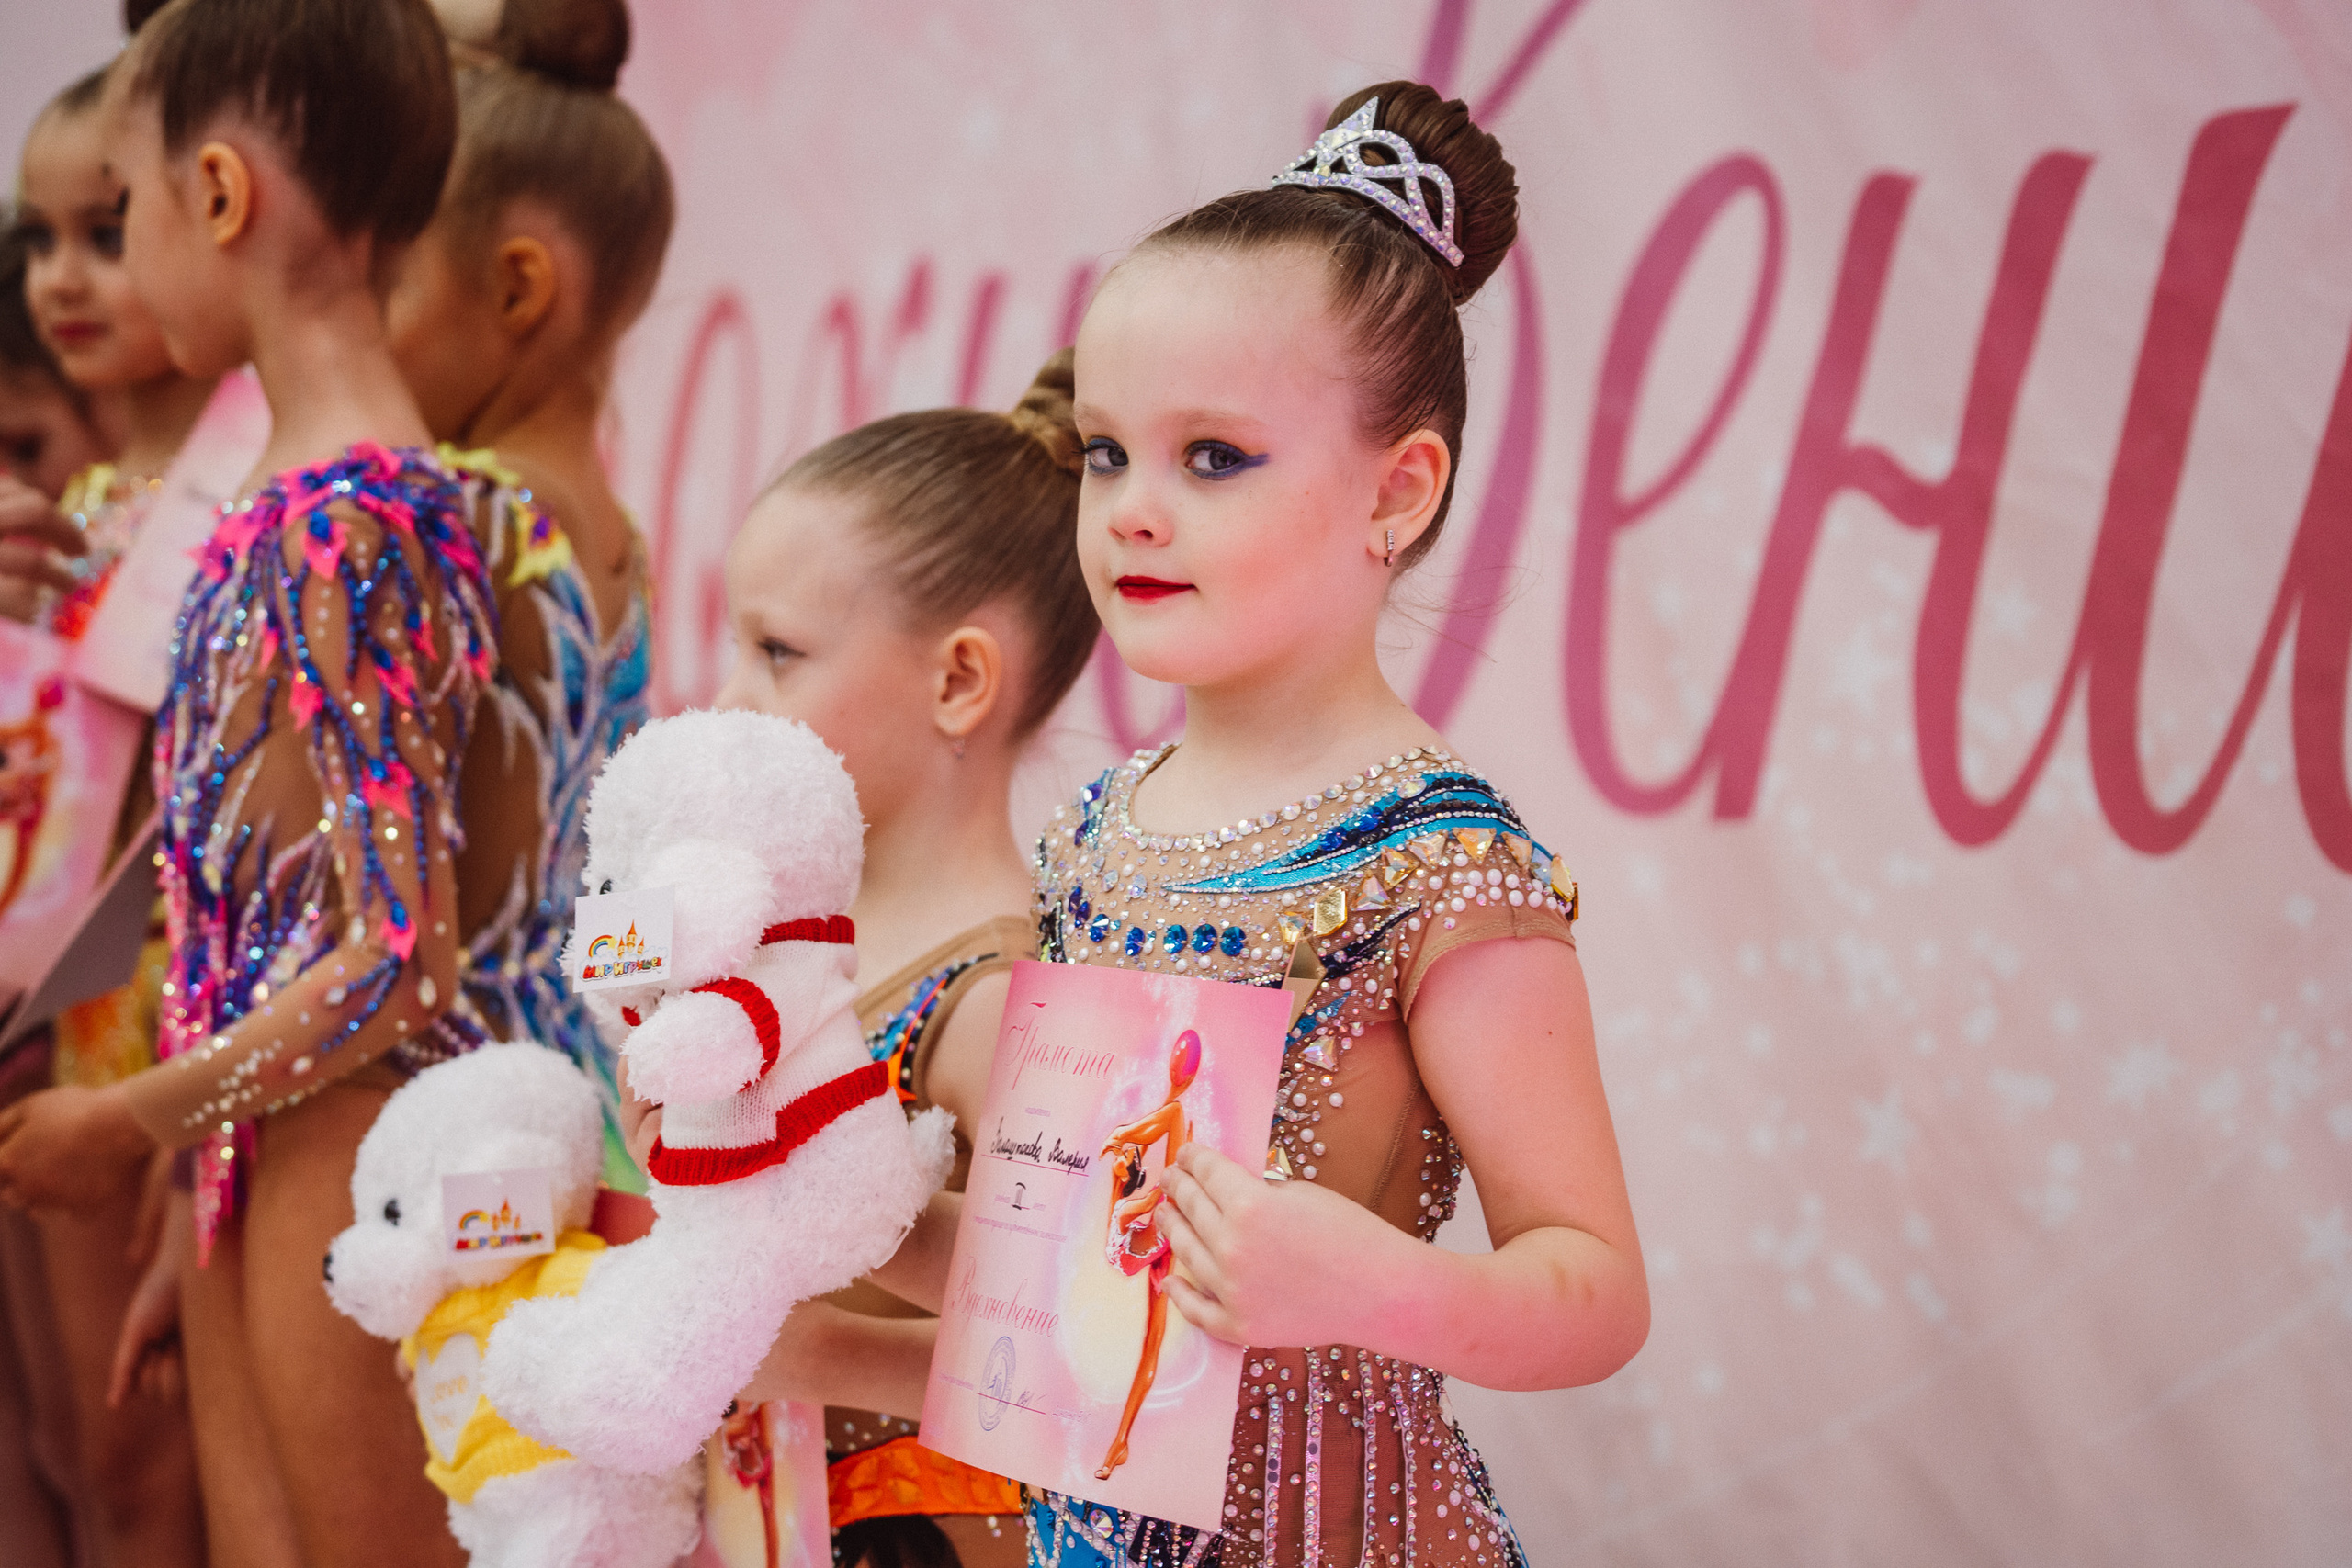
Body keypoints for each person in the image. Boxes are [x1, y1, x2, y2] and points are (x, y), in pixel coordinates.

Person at [1027, 83, 1648, 1565]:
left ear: (1400, 490)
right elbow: (1051, 1274)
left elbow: (1599, 1288)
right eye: (1106, 452)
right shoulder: (1093, 834)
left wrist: (1370, 1283)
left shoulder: (1441, 860)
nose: (1133, 510)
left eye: (1213, 457)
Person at [0, 2, 503, 1563]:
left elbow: (403, 955)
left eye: (125, 208)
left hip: (332, 1146)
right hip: (255, 1141)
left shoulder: (345, 524)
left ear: (216, 196)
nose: (118, 254)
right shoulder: (281, 504)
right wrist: (181, 1188)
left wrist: (127, 1122)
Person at [624, 350, 1098, 1567]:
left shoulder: (1000, 997)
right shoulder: (780, 950)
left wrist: (820, 1353)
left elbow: (1100, 1353)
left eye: (778, 652)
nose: (729, 698)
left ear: (958, 679)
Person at [0, 61, 223, 1568]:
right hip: (71, 1002)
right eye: (40, 239)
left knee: (146, 1464)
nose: (64, 279)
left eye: (106, 227)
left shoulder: (247, 489)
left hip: (187, 1013)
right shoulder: (91, 506)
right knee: (80, 1450)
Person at [389, 0, 668, 1184]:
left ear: (515, 287)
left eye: (384, 280)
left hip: (455, 1102)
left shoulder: (469, 510)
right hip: (586, 1089)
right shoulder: (614, 530)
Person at [1095, 1029, 1202, 1482]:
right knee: (1174, 1117)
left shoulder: (1124, 1197)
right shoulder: (1125, 1202)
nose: (1121, 1160)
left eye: (1125, 1157)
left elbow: (1146, 1174)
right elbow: (1154, 1188)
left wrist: (1133, 1141)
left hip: (1153, 1244)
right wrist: (1132, 1140)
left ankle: (1120, 1443)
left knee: (1152, 1342)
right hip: (1141, 1239)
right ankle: (1118, 1444)